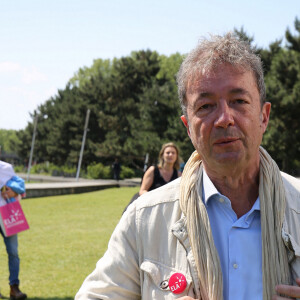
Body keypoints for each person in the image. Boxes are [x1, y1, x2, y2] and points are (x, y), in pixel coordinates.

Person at [75, 33, 300, 300]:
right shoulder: (144, 218)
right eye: (206, 106)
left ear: (264, 117)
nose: (224, 119)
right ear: (188, 128)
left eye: (239, 101)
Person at [0, 161, 27, 300]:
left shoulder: (6, 168)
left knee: (13, 252)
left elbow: (19, 187)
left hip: (8, 214)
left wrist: (14, 192)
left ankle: (14, 288)